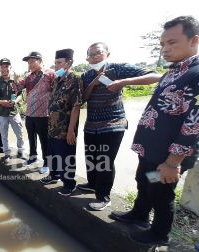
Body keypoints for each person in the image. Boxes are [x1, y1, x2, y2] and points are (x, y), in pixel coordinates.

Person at [110, 16, 199, 246]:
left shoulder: (196, 74)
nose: (165, 49)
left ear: (194, 40)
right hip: (152, 150)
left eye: (172, 43)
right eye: (162, 44)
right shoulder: (174, 71)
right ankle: (139, 214)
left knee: (161, 192)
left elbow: (194, 124)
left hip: (169, 156)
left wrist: (172, 163)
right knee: (144, 180)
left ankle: (159, 234)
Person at [78, 42, 161, 211]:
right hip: (91, 124)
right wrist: (93, 83)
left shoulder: (118, 68)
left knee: (105, 160)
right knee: (91, 158)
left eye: (97, 53)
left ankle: (104, 196)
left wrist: (124, 82)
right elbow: (83, 99)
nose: (94, 57)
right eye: (90, 54)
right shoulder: (86, 75)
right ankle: (93, 184)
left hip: (113, 124)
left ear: (107, 53)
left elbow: (155, 75)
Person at [39, 49, 82, 197]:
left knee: (66, 156)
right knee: (52, 152)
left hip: (65, 128)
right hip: (52, 126)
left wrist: (71, 131)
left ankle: (69, 184)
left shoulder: (75, 80)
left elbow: (76, 106)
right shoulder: (57, 79)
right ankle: (53, 175)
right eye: (55, 62)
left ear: (69, 63)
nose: (56, 66)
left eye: (59, 62)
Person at [16, 52, 56, 174]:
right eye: (29, 62)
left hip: (44, 114)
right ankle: (32, 157)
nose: (30, 64)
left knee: (44, 140)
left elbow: (56, 91)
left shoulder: (50, 73)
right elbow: (18, 88)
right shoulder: (28, 76)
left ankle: (47, 163)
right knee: (31, 137)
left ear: (40, 60)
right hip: (29, 114)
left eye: (32, 61)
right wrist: (16, 80)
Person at [0, 58, 25, 162]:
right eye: (2, 67)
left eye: (7, 66)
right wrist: (2, 102)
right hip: (1, 113)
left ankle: (21, 151)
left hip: (14, 112)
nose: (5, 69)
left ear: (10, 67)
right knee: (4, 135)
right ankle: (7, 154)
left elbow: (20, 95)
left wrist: (14, 102)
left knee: (20, 134)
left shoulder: (16, 81)